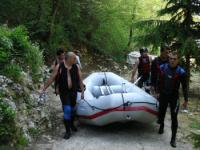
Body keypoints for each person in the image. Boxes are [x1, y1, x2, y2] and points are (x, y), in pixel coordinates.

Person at [41, 52, 85, 140]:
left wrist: (83, 92)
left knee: (72, 109)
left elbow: (80, 80)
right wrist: (43, 88)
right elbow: (51, 78)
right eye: (74, 58)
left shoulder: (76, 67)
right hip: (64, 92)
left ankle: (71, 124)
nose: (75, 60)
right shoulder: (59, 66)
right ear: (69, 59)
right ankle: (68, 131)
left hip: (73, 92)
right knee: (67, 110)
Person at [157, 51, 188, 147]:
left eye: (175, 59)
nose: (172, 61)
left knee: (174, 118)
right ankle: (161, 125)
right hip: (163, 95)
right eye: (171, 58)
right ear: (168, 59)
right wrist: (157, 91)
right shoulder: (162, 68)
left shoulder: (181, 72)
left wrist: (186, 100)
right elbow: (159, 80)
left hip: (174, 97)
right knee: (161, 114)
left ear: (178, 60)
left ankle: (173, 139)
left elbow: (185, 87)